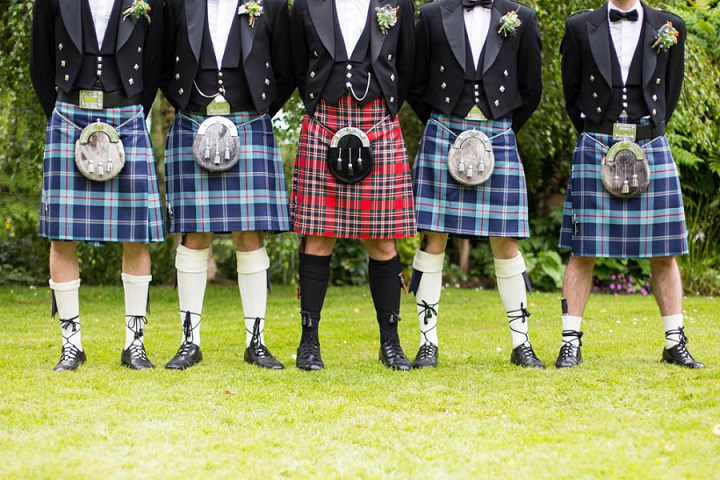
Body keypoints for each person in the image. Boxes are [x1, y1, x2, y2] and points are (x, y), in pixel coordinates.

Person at [556, 0, 703, 368]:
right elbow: (571, 93)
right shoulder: (579, 27)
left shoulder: (670, 26)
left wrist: (646, 133)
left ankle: (674, 342)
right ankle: (571, 342)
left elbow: (671, 90)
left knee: (664, 250)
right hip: (596, 141)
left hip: (650, 143)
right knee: (582, 248)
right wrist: (598, 133)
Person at [30, 0, 165, 371]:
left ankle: (134, 345)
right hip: (69, 113)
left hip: (126, 114)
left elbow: (155, 61)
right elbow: (39, 62)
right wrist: (60, 114)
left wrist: (132, 107)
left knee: (136, 235)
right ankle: (71, 345)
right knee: (62, 236)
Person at [408, 0, 543, 368]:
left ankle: (521, 343)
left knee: (506, 241)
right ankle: (427, 343)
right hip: (443, 127)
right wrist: (440, 123)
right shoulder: (432, 15)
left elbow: (532, 89)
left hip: (498, 134)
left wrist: (501, 128)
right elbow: (415, 84)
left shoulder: (522, 17)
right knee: (432, 237)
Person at [161, 0, 294, 370]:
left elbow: (285, 69)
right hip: (193, 121)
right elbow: (161, 63)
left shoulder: (271, 4)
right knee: (194, 233)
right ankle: (190, 342)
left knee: (250, 234)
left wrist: (257, 109)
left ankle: (257, 342)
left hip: (249, 122)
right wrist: (188, 106)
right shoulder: (177, 3)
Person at [289, 0, 417, 370]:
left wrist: (387, 110)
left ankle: (390, 343)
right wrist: (317, 104)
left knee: (382, 239)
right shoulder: (306, 4)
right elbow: (299, 65)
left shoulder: (398, 3)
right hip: (325, 120)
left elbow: (406, 66)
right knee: (317, 236)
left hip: (378, 122)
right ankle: (308, 342)